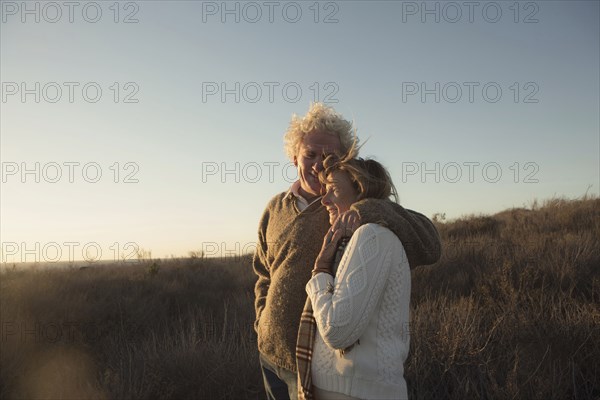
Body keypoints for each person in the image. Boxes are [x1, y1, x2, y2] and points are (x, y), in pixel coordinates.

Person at [253, 103, 441, 400]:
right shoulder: (275, 207)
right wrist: (262, 321)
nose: (317, 164)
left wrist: (366, 207)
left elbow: (429, 243)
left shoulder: (347, 200)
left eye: (329, 156)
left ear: (344, 159)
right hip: (269, 354)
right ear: (293, 157)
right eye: (310, 154)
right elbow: (263, 272)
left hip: (314, 367)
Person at [298, 154, 412, 400]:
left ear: (360, 190)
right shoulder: (356, 239)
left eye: (334, 190)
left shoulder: (372, 236)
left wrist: (320, 271)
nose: (324, 199)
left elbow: (336, 331)